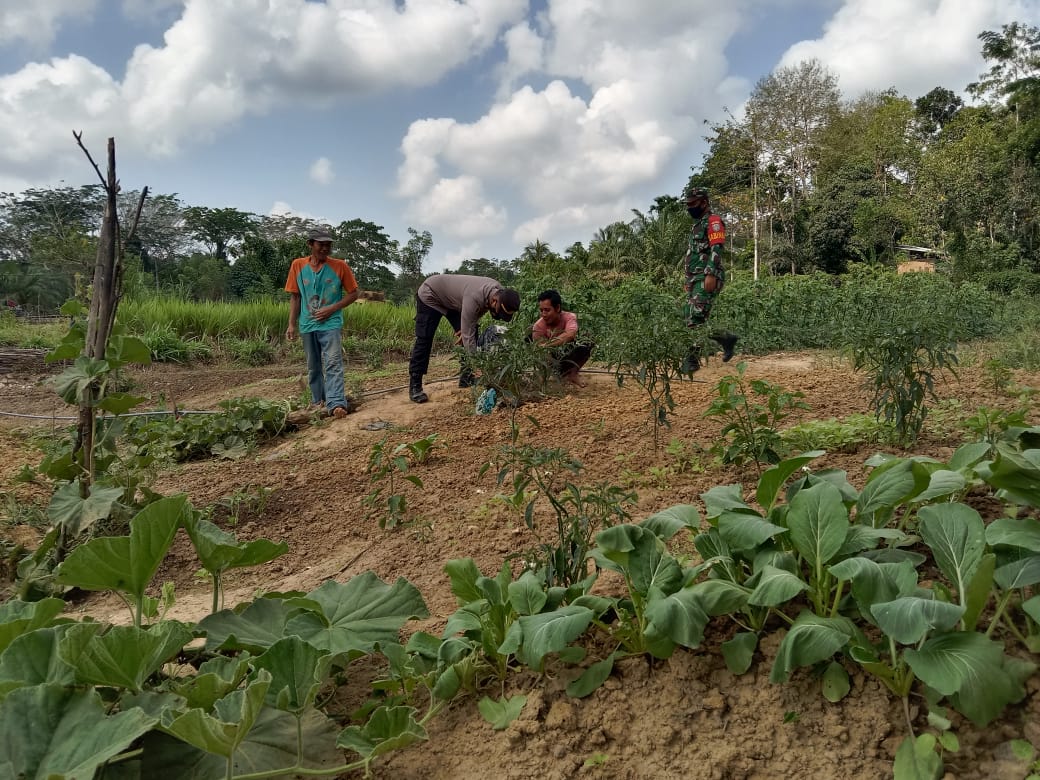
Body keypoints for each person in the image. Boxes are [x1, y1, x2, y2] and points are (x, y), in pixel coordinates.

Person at [408, 274, 520, 403]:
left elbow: (477, 314)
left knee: (472, 331)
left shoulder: (499, 292)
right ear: (494, 301)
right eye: (499, 311)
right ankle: (415, 385)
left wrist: (466, 329)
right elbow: (468, 335)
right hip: (431, 295)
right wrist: (477, 366)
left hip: (453, 302)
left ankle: (466, 378)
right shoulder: (474, 297)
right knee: (425, 338)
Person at [285, 229, 359, 418]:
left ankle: (336, 403)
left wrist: (332, 308)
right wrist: (291, 324)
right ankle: (318, 401)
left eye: (328, 245)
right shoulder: (298, 265)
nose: (325, 248)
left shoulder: (340, 266)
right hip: (307, 325)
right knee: (313, 366)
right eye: (321, 244)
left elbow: (353, 294)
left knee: (333, 362)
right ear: (311, 244)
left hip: (330, 323)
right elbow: (295, 297)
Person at [682, 186, 738, 372]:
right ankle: (726, 339)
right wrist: (688, 281)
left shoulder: (713, 221)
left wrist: (710, 273)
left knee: (696, 316)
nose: (690, 208)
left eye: (693, 204)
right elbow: (692, 255)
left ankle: (692, 359)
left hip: (707, 276)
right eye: (688, 204)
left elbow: (717, 248)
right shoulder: (697, 226)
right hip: (695, 279)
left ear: (704, 202)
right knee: (690, 315)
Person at [530, 289, 592, 387]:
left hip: (568, 353)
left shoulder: (569, 317)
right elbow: (540, 352)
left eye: (547, 310)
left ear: (558, 308)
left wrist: (547, 345)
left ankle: (573, 374)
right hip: (552, 361)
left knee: (587, 341)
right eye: (541, 310)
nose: (543, 314)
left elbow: (570, 334)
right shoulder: (538, 326)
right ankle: (546, 378)